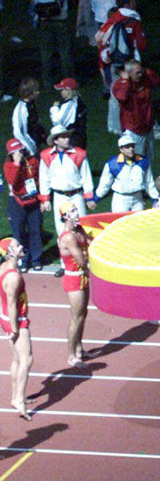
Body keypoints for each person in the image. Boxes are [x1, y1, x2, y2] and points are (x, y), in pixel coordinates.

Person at [0, 238, 32, 420]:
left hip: (5, 316)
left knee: (16, 359)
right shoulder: (13, 276)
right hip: (16, 319)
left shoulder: (4, 268)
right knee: (27, 359)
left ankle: (15, 396)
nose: (21, 247)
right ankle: (19, 399)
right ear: (10, 252)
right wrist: (15, 329)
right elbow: (12, 304)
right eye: (17, 246)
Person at [56, 207, 90, 366]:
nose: (77, 213)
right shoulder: (68, 237)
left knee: (83, 314)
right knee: (76, 318)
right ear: (65, 217)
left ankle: (79, 349)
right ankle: (71, 355)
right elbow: (82, 261)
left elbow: (88, 246)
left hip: (83, 276)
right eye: (73, 211)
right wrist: (87, 253)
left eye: (76, 209)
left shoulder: (79, 229)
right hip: (74, 279)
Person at [4, 141, 42, 273]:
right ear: (11, 155)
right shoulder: (9, 165)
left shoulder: (32, 161)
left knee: (35, 230)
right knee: (19, 232)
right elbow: (11, 181)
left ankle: (36, 259)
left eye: (20, 151)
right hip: (17, 202)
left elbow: (38, 178)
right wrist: (17, 164)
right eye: (15, 152)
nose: (19, 154)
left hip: (33, 200)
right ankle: (24, 260)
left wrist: (41, 198)